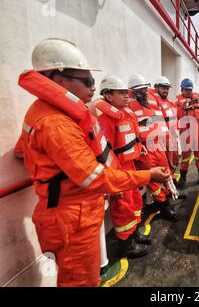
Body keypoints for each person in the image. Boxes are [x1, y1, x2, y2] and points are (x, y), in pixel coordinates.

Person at [14, 38, 169, 287]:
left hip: (74, 211)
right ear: (58, 80)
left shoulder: (43, 113)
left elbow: (22, 151)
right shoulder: (56, 124)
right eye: (87, 81)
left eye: (93, 81)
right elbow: (94, 177)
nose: (93, 88)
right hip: (72, 218)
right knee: (82, 281)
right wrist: (148, 175)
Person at [91, 75, 152, 257]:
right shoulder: (105, 119)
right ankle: (127, 246)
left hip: (130, 166)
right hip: (118, 171)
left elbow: (131, 138)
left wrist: (138, 149)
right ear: (109, 96)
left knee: (135, 203)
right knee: (123, 209)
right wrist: (112, 181)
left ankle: (135, 233)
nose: (127, 96)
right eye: (121, 93)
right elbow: (104, 153)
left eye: (127, 92)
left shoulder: (125, 113)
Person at [128, 74, 178, 222]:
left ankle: (169, 197)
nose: (143, 92)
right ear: (133, 91)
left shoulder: (152, 101)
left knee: (165, 172)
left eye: (145, 89)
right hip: (144, 148)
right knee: (154, 179)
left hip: (158, 144)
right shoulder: (128, 105)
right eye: (140, 90)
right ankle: (163, 206)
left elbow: (160, 120)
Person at [175, 78, 199, 188]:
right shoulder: (177, 101)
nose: (188, 92)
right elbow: (177, 116)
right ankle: (182, 177)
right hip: (185, 133)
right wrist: (183, 107)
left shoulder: (198, 98)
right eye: (186, 90)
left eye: (190, 90)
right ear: (181, 89)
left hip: (198, 133)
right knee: (185, 156)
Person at [152, 76, 180, 176]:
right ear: (156, 88)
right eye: (163, 88)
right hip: (163, 139)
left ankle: (171, 179)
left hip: (173, 137)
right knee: (166, 163)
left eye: (167, 88)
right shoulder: (154, 102)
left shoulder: (169, 102)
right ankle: (168, 185)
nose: (166, 90)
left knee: (174, 160)